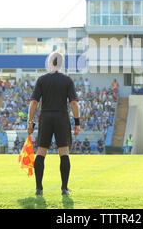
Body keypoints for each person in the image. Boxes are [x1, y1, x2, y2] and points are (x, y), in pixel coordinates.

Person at [27, 51, 81, 196]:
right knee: (63, 152)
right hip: (62, 117)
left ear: (50, 63)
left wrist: (30, 122)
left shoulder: (42, 80)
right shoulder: (68, 80)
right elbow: (74, 104)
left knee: (41, 152)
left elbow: (33, 102)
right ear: (61, 64)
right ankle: (64, 189)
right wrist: (77, 123)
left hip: (45, 117)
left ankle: (39, 188)